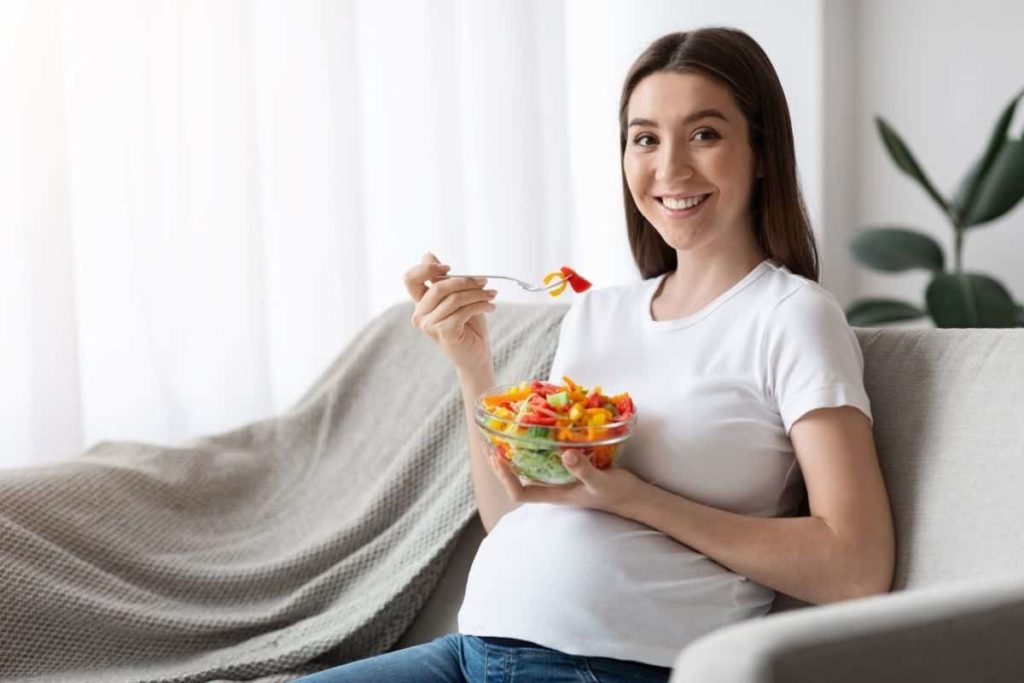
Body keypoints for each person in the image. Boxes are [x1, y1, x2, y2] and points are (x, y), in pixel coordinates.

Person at [297, 26, 895, 683]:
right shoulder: (597, 314)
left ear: (760, 153)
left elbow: (855, 564)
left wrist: (634, 497)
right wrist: (474, 368)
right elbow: (517, 514)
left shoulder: (793, 317)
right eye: (645, 138)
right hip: (473, 649)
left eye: (704, 133)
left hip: (607, 663)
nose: (669, 167)